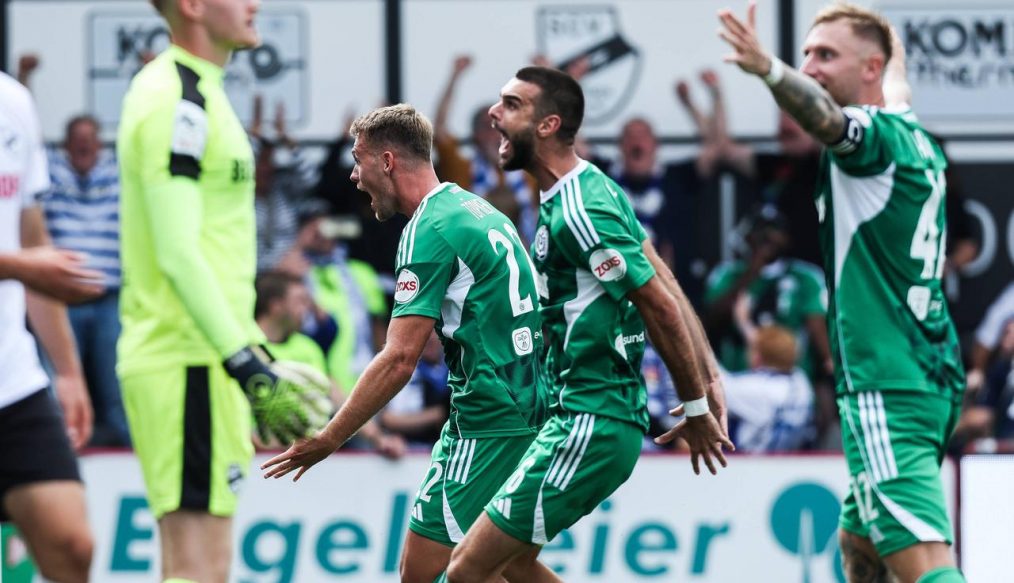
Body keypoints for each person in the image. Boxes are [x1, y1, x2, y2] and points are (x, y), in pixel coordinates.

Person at [443, 65, 733, 583]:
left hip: (590, 419)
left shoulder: (580, 208)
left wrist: (694, 403)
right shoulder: (592, 188)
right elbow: (660, 274)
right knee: (511, 566)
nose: (494, 112)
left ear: (549, 125)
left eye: (510, 105)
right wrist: (710, 374)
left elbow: (660, 305)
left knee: (466, 569)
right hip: (583, 416)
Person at [719, 3, 966, 582]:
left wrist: (769, 70)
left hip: (885, 379)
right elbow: (885, 78)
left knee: (925, 564)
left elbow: (832, 124)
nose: (811, 66)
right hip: (926, 374)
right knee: (860, 541)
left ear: (872, 68)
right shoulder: (919, 138)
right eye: (805, 54)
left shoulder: (872, 136)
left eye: (825, 55)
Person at [262, 104, 557, 583]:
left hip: (491, 419)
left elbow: (400, 358)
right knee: (509, 565)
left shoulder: (429, 231)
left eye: (359, 161)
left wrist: (330, 437)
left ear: (388, 161)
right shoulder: (477, 208)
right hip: (521, 406)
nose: (355, 177)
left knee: (422, 572)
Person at [117, 1, 324, 582]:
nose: (255, 4)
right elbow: (177, 252)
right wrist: (247, 364)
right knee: (196, 569)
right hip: (188, 358)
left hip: (207, 360)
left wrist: (244, 359)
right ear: (193, 6)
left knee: (206, 569)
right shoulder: (174, 100)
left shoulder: (199, 91)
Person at [0, 70, 102, 583]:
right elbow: (30, 262)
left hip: (13, 378)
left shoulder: (13, 101)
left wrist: (67, 371)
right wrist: (19, 267)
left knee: (71, 544)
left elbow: (32, 238)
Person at [41, 114, 129, 447]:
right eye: (77, 138)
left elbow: (135, 132)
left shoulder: (114, 173)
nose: (84, 143)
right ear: (66, 145)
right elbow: (25, 140)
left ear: (99, 144)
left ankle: (128, 463)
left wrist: (145, 72)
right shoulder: (53, 174)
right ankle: (60, 456)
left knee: (115, 390)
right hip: (62, 304)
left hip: (107, 301)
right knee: (59, 391)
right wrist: (22, 77)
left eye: (91, 137)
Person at [254, 271, 405, 458]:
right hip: (254, 459)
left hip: (301, 458)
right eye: (299, 301)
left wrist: (379, 438)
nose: (306, 309)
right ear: (275, 306)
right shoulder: (244, 349)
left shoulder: (308, 347)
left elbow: (338, 399)